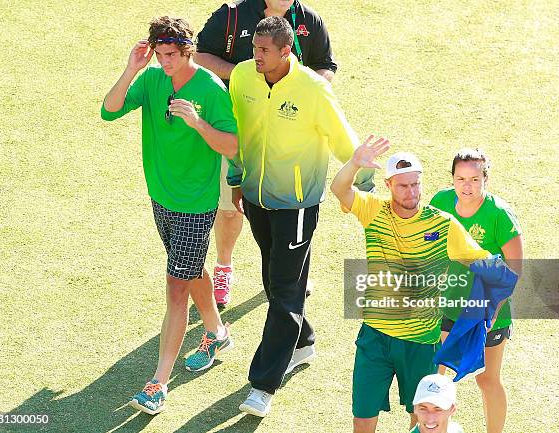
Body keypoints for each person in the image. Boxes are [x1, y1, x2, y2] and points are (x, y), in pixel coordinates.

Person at [228, 16, 374, 417]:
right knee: (274, 279)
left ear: (286, 50)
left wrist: (367, 184)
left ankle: (263, 385)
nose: (255, 57)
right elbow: (237, 129)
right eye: (254, 48)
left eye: (263, 51)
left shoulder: (313, 89)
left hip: (296, 204)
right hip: (257, 197)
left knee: (287, 288)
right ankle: (303, 340)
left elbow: (345, 140)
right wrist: (237, 176)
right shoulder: (242, 77)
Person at [100, 16, 238, 415]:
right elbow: (109, 111)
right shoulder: (153, 78)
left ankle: (158, 383)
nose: (165, 63)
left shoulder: (210, 89)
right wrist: (132, 69)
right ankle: (216, 332)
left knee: (176, 287)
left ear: (188, 50)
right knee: (191, 270)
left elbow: (231, 145)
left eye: (172, 56)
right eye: (159, 55)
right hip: (161, 197)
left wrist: (196, 122)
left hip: (196, 204)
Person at [331, 140, 510, 433]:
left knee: (421, 419)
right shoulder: (373, 210)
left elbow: (495, 270)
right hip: (374, 337)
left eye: (416, 184)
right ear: (388, 184)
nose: (411, 192)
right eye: (403, 186)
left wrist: (487, 315)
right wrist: (354, 163)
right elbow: (339, 189)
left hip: (421, 342)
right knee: (362, 419)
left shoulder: (442, 225)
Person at [195, 0, 337, 307]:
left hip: (291, 135)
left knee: (293, 211)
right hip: (237, 129)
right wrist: (248, 74)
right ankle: (224, 267)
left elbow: (326, 65)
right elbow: (200, 55)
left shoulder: (308, 20)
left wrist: (306, 90)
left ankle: (291, 274)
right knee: (231, 206)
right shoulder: (232, 15)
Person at [430, 148, 523, 433]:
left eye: (474, 179)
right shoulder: (440, 202)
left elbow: (515, 268)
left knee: (487, 380)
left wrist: (494, 308)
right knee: (435, 376)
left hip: (487, 311)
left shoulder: (499, 215)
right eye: (460, 179)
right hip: (446, 306)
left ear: (486, 180)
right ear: (453, 179)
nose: (466, 186)